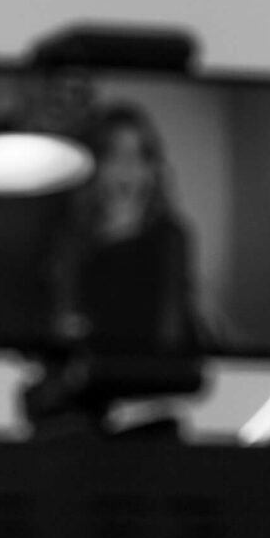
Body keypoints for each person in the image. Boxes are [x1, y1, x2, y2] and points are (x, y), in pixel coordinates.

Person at [51, 101, 203, 353]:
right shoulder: (71, 239)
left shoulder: (171, 238)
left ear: (153, 170)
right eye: (115, 154)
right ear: (96, 166)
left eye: (139, 155)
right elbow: (64, 322)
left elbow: (171, 331)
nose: (127, 166)